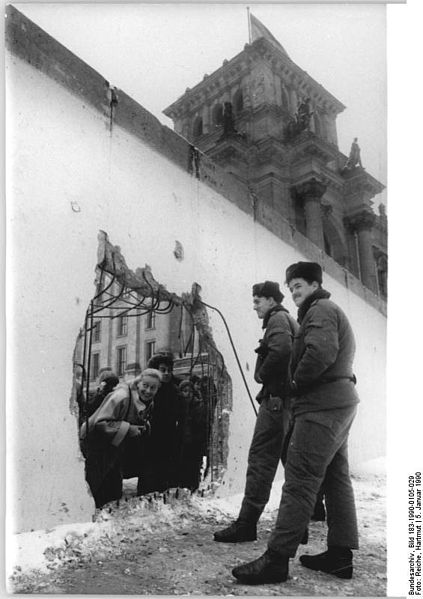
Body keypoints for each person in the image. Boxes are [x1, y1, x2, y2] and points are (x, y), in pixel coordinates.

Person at [232, 262, 359, 584]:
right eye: (291, 287)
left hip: (320, 406)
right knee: (335, 479)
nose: (294, 291)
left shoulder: (320, 310)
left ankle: (276, 559)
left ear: (315, 284)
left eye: (299, 284)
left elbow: (319, 353)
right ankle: (340, 555)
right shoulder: (321, 311)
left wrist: (293, 385)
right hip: (338, 401)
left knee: (300, 479)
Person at [214, 281, 298, 543]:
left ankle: (246, 524)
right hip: (287, 403)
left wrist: (261, 374)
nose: (254, 307)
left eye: (257, 301)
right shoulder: (287, 319)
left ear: (271, 301)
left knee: (261, 460)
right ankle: (302, 521)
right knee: (291, 460)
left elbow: (282, 350)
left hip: (275, 402)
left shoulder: (277, 319)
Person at [80, 368, 161, 508]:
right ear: (138, 384)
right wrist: (128, 428)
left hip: (113, 449)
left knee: (113, 490)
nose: (148, 391)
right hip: (95, 445)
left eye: (153, 388)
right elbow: (100, 423)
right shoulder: (122, 396)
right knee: (95, 488)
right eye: (145, 386)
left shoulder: (149, 402)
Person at [137, 353, 184, 494]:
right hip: (150, 440)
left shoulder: (175, 391)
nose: (167, 373)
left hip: (169, 441)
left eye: (169, 370)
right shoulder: (148, 390)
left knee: (165, 479)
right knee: (148, 478)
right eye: (162, 370)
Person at [177, 380, 207, 490]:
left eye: (190, 391)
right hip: (182, 442)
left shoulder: (198, 405)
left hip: (194, 442)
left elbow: (201, 424)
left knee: (193, 467)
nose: (188, 394)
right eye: (185, 391)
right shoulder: (179, 405)